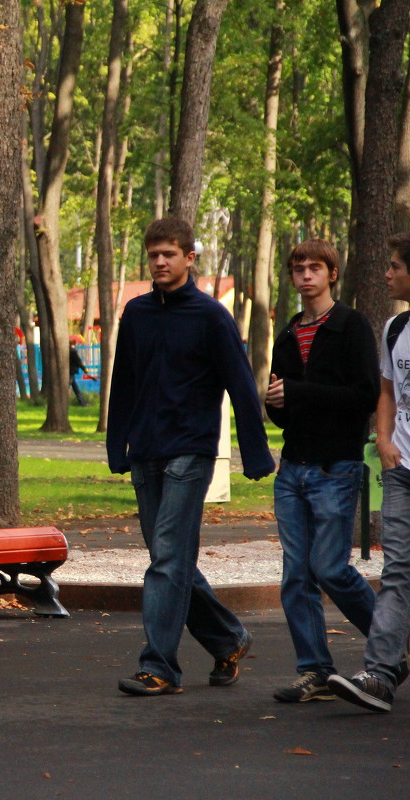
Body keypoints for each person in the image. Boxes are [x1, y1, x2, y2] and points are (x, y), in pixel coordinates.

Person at [106, 216, 274, 697]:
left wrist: (255, 453)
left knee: (167, 560)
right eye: (154, 254)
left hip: (190, 451)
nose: (160, 262)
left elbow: (241, 385)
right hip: (147, 452)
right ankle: (228, 638)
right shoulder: (136, 314)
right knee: (169, 558)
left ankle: (159, 666)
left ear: (189, 258)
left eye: (169, 254)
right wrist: (118, 445)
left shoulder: (211, 316)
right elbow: (125, 384)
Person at [265, 240, 379, 703]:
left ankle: (390, 643)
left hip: (336, 465)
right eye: (298, 268)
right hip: (293, 467)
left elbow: (363, 396)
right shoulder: (289, 333)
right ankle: (314, 669)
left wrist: (298, 392)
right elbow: (284, 406)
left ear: (333, 273)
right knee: (296, 575)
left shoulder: (351, 326)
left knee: (330, 568)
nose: (306, 275)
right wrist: (276, 403)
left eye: (315, 268)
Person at [328, 233, 410, 712]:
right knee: (396, 571)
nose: (387, 273)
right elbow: (386, 391)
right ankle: (380, 674)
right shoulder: (395, 327)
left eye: (396, 266)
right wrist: (382, 440)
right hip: (400, 468)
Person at [69, 343, 88, 407]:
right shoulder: (73, 352)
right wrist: (84, 369)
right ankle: (82, 402)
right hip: (71, 371)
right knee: (70, 386)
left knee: (75, 387)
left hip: (69, 371)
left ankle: (82, 402)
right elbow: (78, 361)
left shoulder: (68, 351)